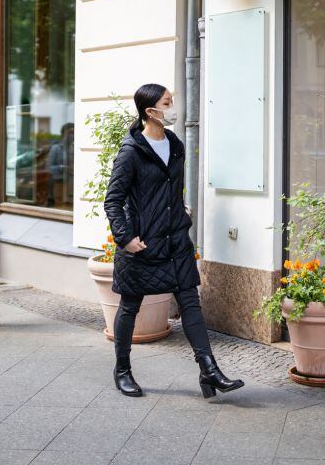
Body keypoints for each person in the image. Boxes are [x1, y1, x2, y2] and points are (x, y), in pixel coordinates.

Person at [104, 83, 243, 398]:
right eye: (167, 103)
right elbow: (113, 200)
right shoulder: (131, 152)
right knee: (129, 306)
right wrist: (125, 238)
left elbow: (171, 190)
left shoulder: (175, 144)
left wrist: (180, 213)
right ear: (150, 111)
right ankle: (122, 370)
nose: (173, 107)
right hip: (142, 243)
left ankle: (209, 370)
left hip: (176, 239)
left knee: (190, 301)